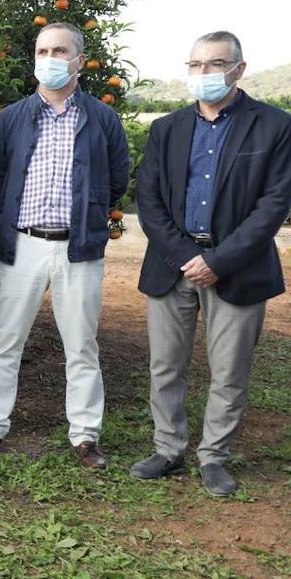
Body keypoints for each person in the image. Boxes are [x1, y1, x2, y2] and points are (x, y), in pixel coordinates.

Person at [130, 31, 291, 496]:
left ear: (239, 69)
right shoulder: (167, 128)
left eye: (214, 64)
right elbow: (150, 198)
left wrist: (217, 261)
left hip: (237, 267)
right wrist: (186, 256)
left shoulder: (275, 126)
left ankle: (214, 456)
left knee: (230, 370)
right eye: (196, 65)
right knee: (165, 365)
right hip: (172, 263)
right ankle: (167, 448)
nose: (203, 74)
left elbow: (274, 205)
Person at [0, 22, 129, 469]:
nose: (49, 59)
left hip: (78, 248)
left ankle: (85, 435)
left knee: (81, 344)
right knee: (7, 340)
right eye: (42, 51)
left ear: (80, 59)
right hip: (24, 245)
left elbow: (118, 179)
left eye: (60, 51)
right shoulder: (12, 117)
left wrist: (89, 214)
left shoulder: (102, 117)